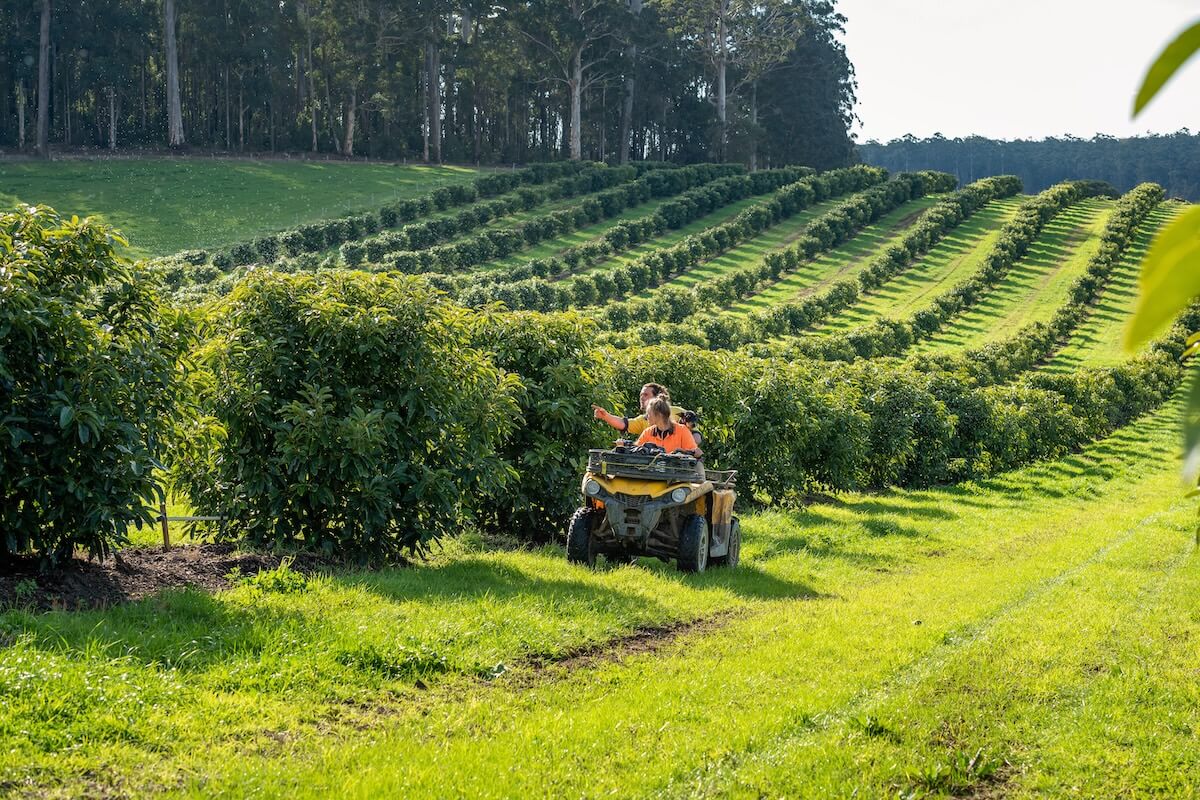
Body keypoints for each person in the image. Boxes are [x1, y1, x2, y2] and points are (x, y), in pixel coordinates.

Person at [592, 383, 688, 437]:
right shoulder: (644, 420)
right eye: (641, 395)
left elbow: (694, 432)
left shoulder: (677, 412)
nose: (641, 398)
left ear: (657, 397)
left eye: (646, 395)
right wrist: (605, 416)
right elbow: (623, 424)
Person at [635, 396, 700, 455]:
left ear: (659, 415)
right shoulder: (647, 432)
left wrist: (683, 452)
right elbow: (635, 451)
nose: (646, 417)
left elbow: (695, 453)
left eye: (648, 414)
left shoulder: (682, 430)